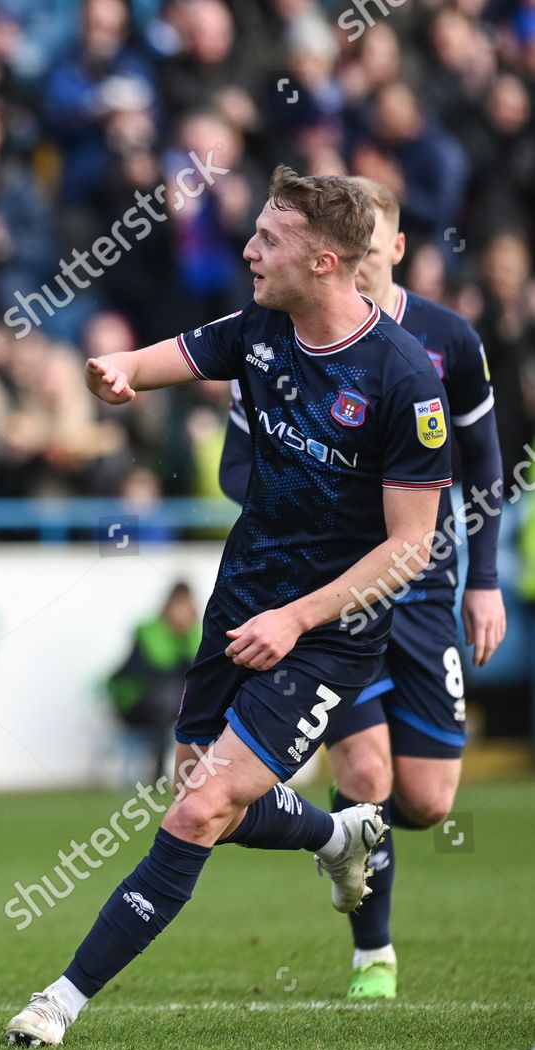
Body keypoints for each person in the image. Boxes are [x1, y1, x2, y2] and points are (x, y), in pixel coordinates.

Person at [5, 167, 452, 1047]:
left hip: (329, 632)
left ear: (326, 262)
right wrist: (119, 372)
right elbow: (170, 355)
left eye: (269, 239)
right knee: (195, 787)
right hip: (242, 598)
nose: (248, 249)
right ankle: (337, 837)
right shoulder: (260, 327)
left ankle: (61, 999)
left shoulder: (405, 378)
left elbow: (411, 547)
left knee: (198, 809)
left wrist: (299, 619)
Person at [217, 177, 504, 1000]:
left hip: (421, 584)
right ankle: (371, 954)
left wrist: (482, 581)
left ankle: (347, 833)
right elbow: (243, 462)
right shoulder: (285, 342)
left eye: (377, 250)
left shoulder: (444, 343)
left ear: (394, 249)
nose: (364, 266)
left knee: (427, 799)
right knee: (369, 769)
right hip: (335, 593)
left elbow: (481, 465)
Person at [107, 581, 202, 784]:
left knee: (187, 699)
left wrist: (184, 637)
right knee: (166, 697)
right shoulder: (147, 630)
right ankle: (158, 772)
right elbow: (153, 670)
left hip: (172, 706)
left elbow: (196, 671)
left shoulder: (195, 633)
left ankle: (204, 773)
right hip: (136, 703)